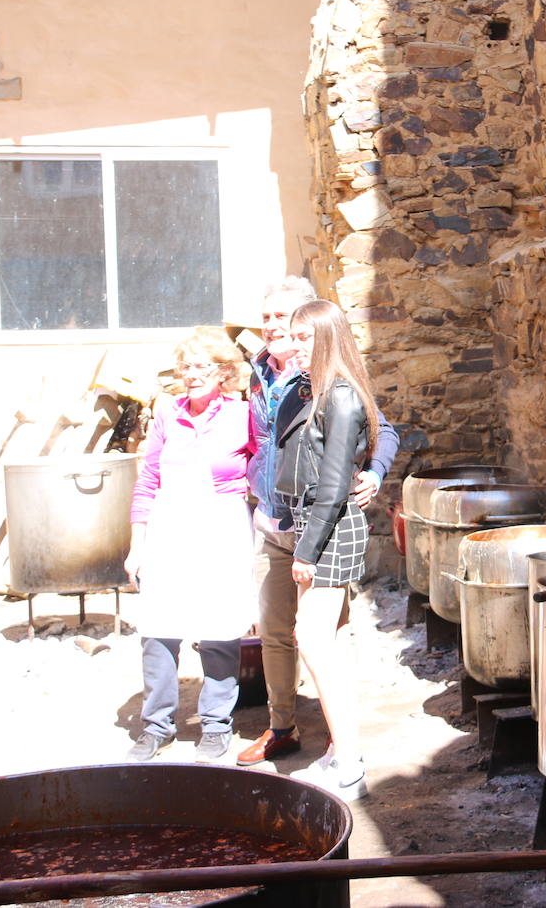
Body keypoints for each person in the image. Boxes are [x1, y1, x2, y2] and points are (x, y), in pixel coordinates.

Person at [235, 277, 398, 768]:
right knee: (277, 631)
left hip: (318, 523)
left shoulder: (332, 385)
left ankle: (341, 744)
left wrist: (372, 471)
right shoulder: (262, 375)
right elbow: (266, 445)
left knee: (322, 636)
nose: (273, 328)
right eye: (267, 319)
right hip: (275, 518)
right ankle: (282, 727)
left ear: (312, 324)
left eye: (286, 320)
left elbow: (377, 428)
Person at [272, 298, 387, 801]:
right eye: (290, 337)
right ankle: (343, 750)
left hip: (329, 527)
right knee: (331, 641)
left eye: (304, 337)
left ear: (327, 338)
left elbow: (336, 484)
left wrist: (305, 552)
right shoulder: (310, 390)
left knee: (311, 639)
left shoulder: (340, 396)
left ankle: (350, 763)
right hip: (311, 522)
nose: (293, 345)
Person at [123, 327, 256, 762]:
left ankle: (216, 724)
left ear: (223, 372)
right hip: (170, 524)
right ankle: (156, 725)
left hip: (221, 525)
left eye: (202, 366)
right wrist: (137, 544)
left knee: (219, 627)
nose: (192, 374)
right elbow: (148, 480)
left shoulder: (243, 414)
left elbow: (264, 466)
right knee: (158, 628)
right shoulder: (166, 412)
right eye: (186, 366)